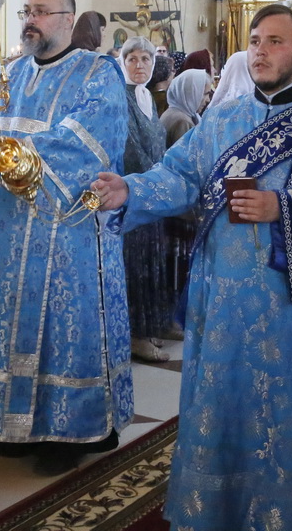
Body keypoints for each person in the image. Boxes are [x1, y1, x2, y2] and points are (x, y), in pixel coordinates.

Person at [91, 3, 292, 529]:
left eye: (274, 42)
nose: (261, 51)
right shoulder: (223, 120)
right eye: (255, 41)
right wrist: (128, 190)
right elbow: (179, 176)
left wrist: (285, 208)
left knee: (286, 413)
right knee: (218, 408)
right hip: (220, 298)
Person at [0, 0, 132, 469]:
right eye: (26, 12)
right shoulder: (7, 73)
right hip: (8, 230)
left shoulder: (99, 73)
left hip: (68, 228)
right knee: (7, 323)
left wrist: (12, 152)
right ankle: (16, 427)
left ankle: (72, 433)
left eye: (41, 12)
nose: (29, 20)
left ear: (67, 19)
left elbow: (90, 140)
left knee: (64, 328)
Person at [119, 37, 172, 362]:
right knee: (134, 265)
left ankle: (148, 328)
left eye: (146, 60)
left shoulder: (148, 98)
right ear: (123, 63)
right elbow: (130, 149)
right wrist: (154, 181)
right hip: (132, 193)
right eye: (133, 59)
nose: (140, 66)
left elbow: (157, 142)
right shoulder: (121, 98)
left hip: (151, 194)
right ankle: (135, 335)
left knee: (151, 260)